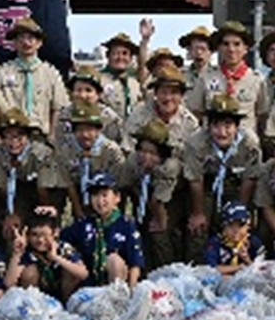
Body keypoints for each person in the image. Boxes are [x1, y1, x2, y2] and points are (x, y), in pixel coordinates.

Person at [182, 94, 261, 260]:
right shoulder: (196, 142)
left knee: (239, 226)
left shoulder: (249, 143)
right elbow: (195, 179)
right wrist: (198, 213)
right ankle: (196, 266)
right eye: (216, 125)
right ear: (208, 126)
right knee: (199, 228)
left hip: (237, 185)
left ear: (237, 127)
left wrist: (242, 210)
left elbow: (250, 178)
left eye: (228, 125)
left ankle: (241, 261)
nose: (222, 132)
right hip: (207, 186)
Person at [59, 173, 143, 288]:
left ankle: (116, 302)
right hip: (87, 284)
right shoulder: (84, 223)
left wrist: (133, 291)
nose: (100, 201)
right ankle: (66, 303)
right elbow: (61, 238)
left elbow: (135, 263)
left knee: (114, 260)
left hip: (116, 284)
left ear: (117, 197)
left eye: (104, 195)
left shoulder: (126, 225)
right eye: (95, 196)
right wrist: (75, 258)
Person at [117, 120, 182, 267]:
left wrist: (160, 219)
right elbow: (122, 187)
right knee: (138, 231)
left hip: (171, 199)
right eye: (142, 151)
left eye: (152, 153)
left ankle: (166, 268)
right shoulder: (133, 161)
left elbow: (158, 201)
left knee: (159, 232)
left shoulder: (170, 166)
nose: (146, 157)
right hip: (142, 196)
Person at [0, 16, 71, 137]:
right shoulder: (3, 72)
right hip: (11, 136)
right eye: (20, 38)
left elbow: (59, 108)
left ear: (39, 43)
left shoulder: (50, 73)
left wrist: (52, 136)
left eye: (31, 38)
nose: (26, 42)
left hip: (41, 135)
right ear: (14, 43)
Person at [0, 108, 59, 231]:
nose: (14, 142)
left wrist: (39, 218)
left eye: (19, 136)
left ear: (28, 136)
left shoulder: (42, 154)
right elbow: (1, 190)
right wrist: (10, 215)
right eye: (7, 137)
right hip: (11, 197)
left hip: (39, 195)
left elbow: (44, 191)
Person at [188, 21, 265, 136]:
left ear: (246, 48)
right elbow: (196, 111)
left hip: (244, 144)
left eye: (237, 44)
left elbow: (262, 115)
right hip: (212, 143)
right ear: (219, 48)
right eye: (225, 44)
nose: (231, 49)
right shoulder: (206, 77)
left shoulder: (256, 80)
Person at [60, 102, 126, 220]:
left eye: (90, 130)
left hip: (107, 195)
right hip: (80, 191)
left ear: (98, 130)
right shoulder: (67, 150)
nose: (85, 135)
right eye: (79, 130)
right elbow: (68, 183)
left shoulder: (111, 150)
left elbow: (117, 185)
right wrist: (78, 209)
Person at [203, 201, 267, 275]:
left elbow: (262, 271)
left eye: (240, 225)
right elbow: (210, 269)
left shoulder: (254, 243)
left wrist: (247, 259)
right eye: (230, 225)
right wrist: (239, 267)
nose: (236, 230)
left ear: (248, 226)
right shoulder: (215, 243)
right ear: (223, 226)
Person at [99, 31, 146, 124]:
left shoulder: (134, 83)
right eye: (115, 53)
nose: (120, 57)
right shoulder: (98, 80)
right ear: (108, 56)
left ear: (130, 58)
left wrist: (144, 40)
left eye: (125, 54)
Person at [178, 24, 214, 92]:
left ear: (210, 52)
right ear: (189, 51)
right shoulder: (180, 75)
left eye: (203, 49)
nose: (199, 52)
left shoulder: (219, 75)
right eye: (195, 48)